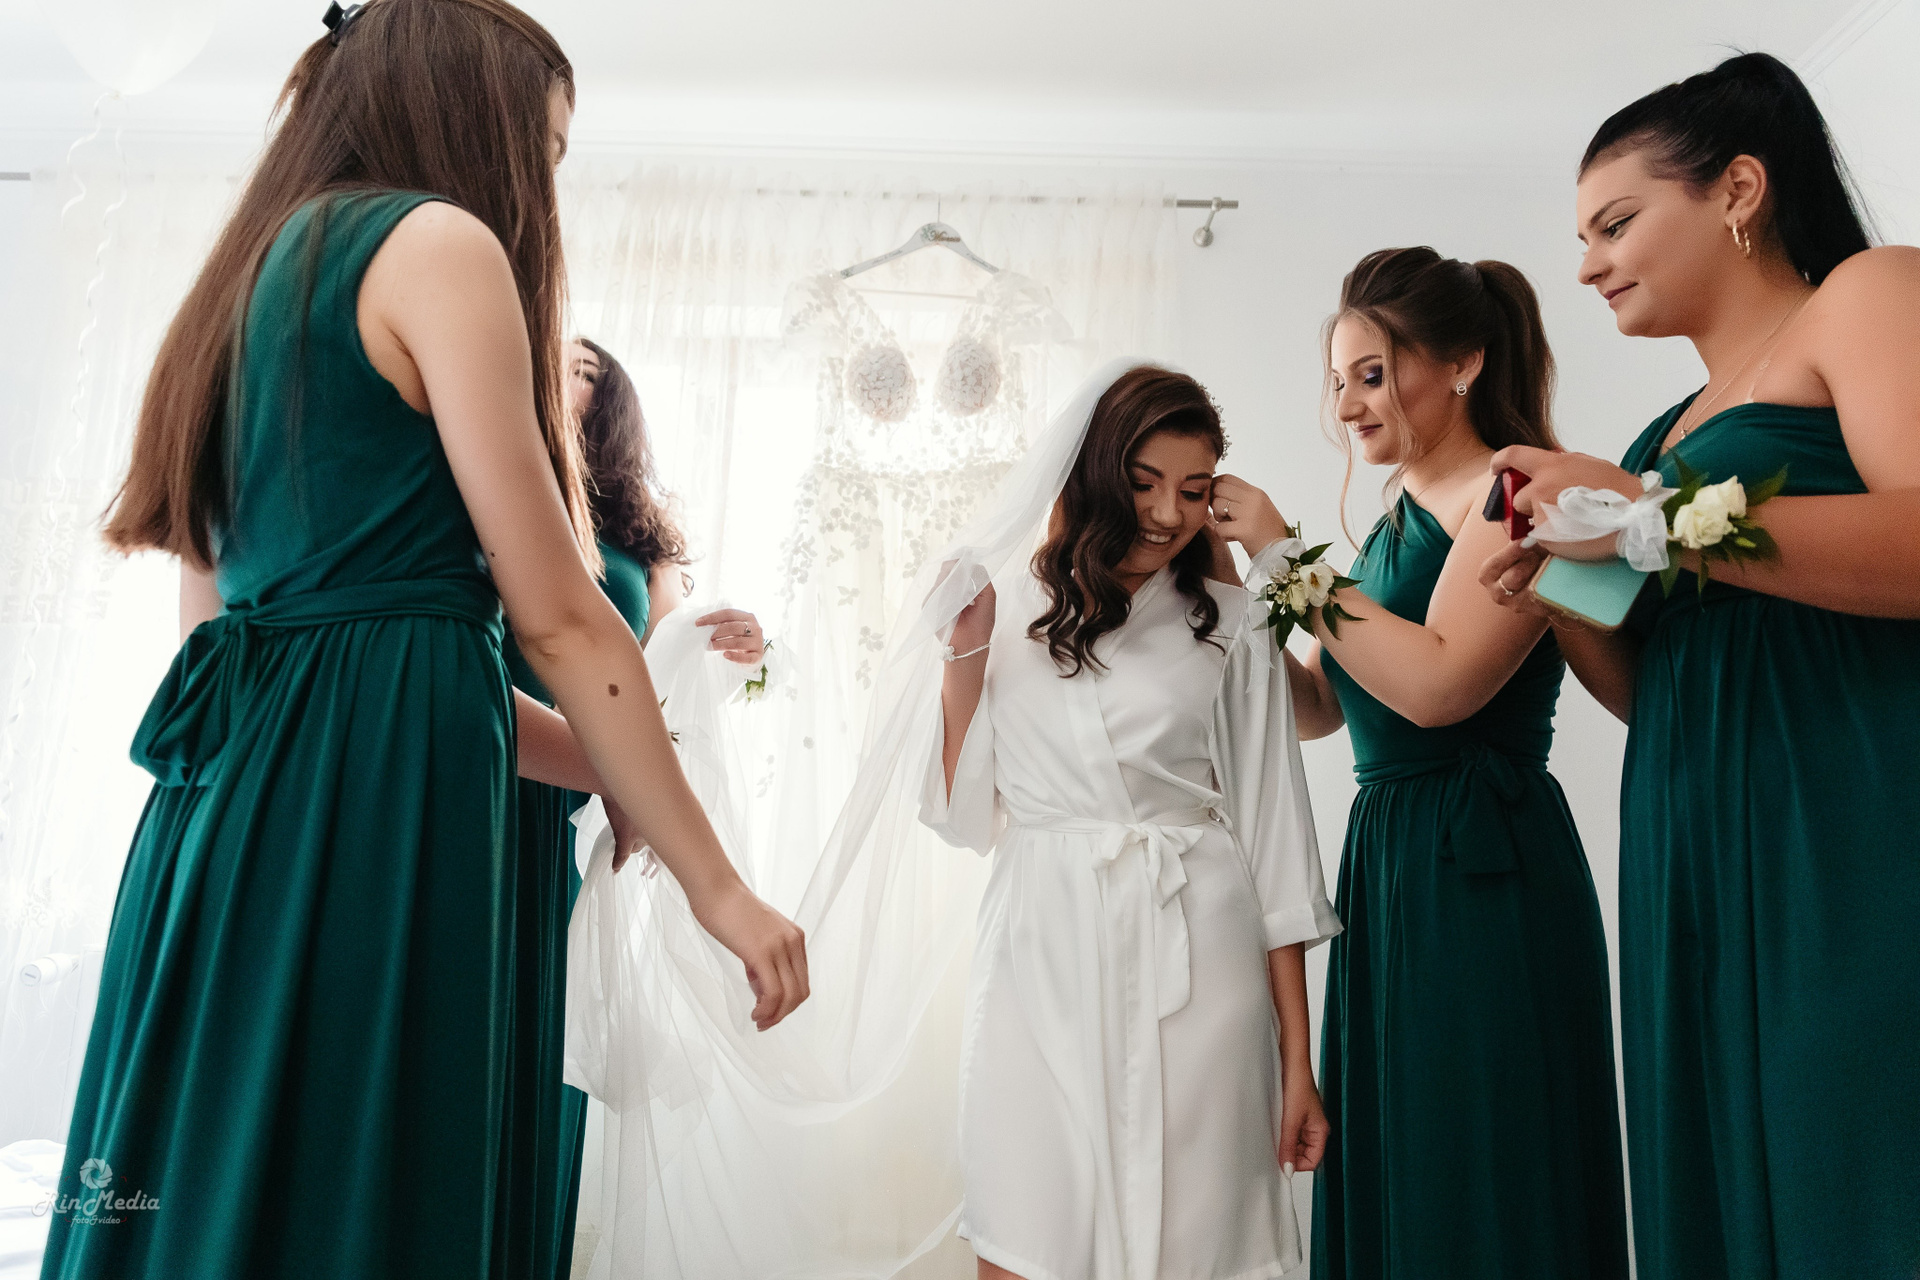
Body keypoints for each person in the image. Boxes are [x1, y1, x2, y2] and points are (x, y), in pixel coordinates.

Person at [44, 3, 804, 1277]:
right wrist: (719, 883)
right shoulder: (437, 244)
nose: (545, 186)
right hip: (375, 830)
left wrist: (621, 776)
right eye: (545, 149)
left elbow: (292, 661)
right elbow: (558, 617)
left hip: (219, 829)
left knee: (226, 1192)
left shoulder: (234, 288)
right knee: (366, 1197)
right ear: (475, 118)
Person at [1480, 52, 1920, 1280]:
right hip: (1687, 830)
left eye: (1615, 223)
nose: (1586, 266)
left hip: (1843, 811)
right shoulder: (1656, 438)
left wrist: (1643, 520)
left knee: (1852, 1151)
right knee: (1714, 1158)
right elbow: (1652, 688)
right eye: (1581, 239)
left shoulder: (1870, 295)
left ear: (1738, 190)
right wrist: (1560, 579)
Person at [1216, 248, 1625, 1279]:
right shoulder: (1395, 514)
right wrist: (1228, 606)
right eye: (1340, 380)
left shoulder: (1511, 493)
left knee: (1476, 1150)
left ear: (1463, 362)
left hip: (1480, 860)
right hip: (1393, 857)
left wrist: (1286, 559)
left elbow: (1439, 685)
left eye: (1373, 372)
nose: (1349, 404)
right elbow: (1325, 707)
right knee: (1408, 1144)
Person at [927, 363, 1341, 1280]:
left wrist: (1297, 1062)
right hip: (1039, 953)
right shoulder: (1003, 608)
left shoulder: (1231, 623)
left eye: (1193, 491)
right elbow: (963, 816)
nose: (1165, 513)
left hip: (1198, 957)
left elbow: (1276, 843)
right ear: (1094, 473)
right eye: (1144, 482)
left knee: (1199, 1245)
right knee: (1022, 1232)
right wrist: (964, 655)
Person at [513, 335, 768, 1280]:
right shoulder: (492, 484)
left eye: (591, 370)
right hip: (488, 761)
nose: (570, 375)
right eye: (557, 361)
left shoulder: (641, 536)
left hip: (579, 801)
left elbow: (667, 653)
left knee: (548, 1030)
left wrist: (738, 641)